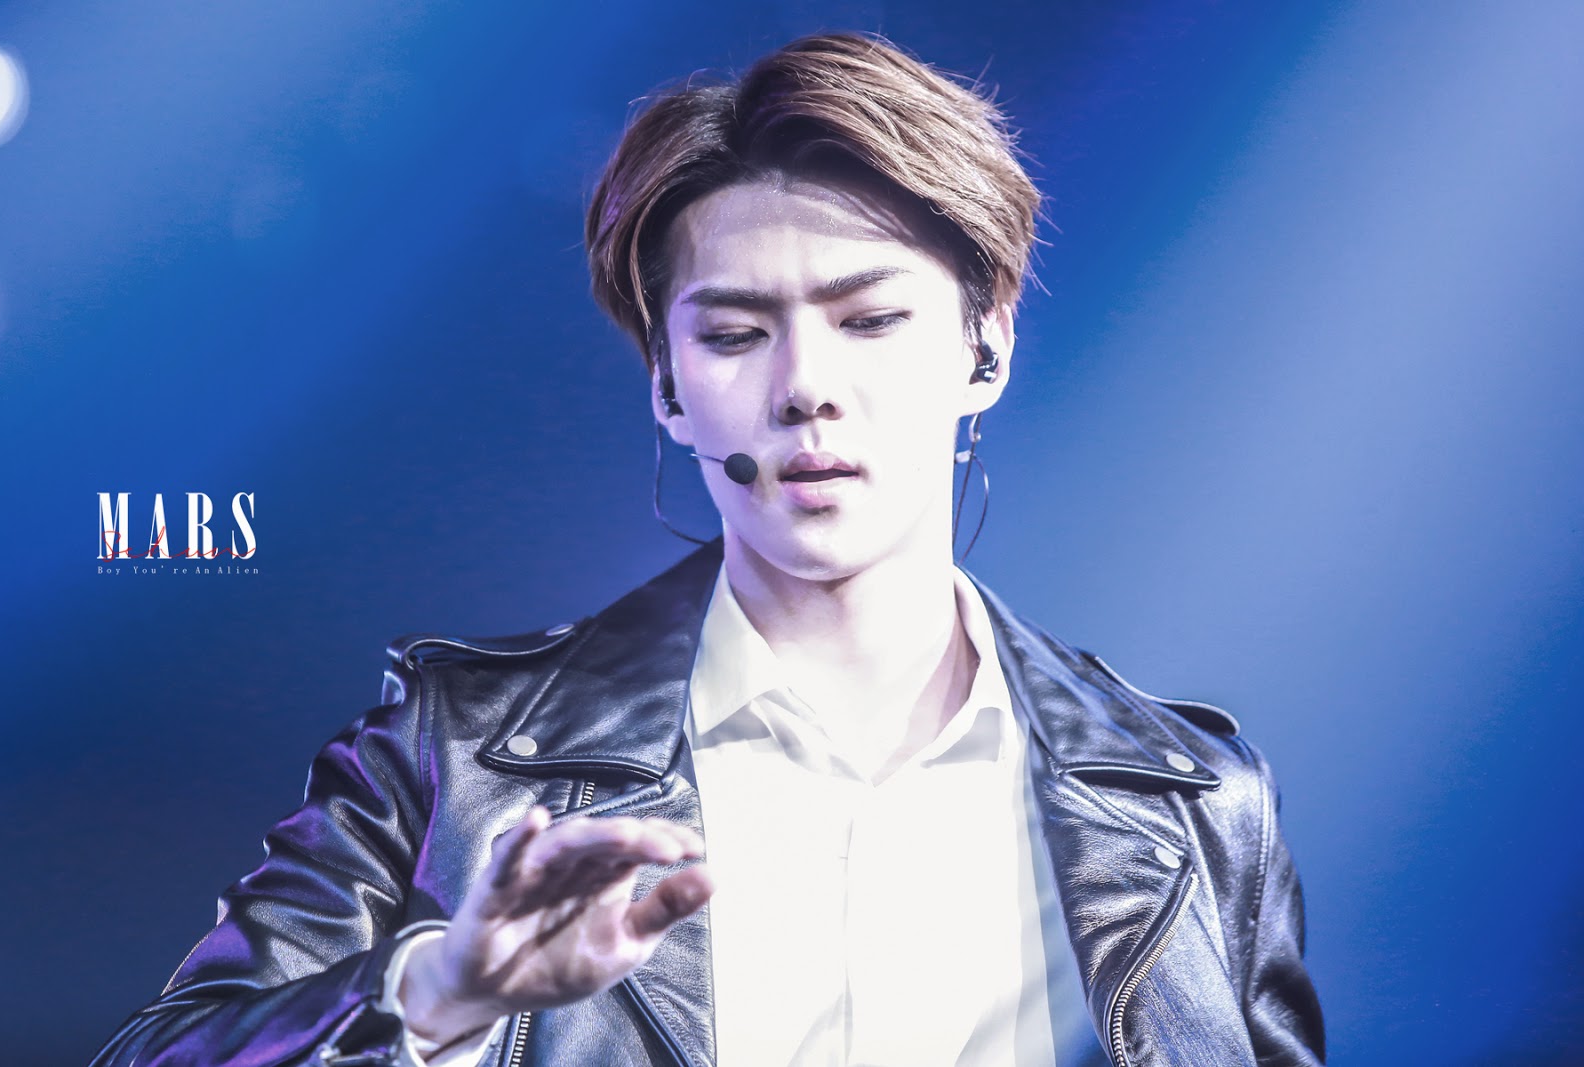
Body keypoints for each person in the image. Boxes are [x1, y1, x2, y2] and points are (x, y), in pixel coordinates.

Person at [91, 32, 1324, 1067]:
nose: (805, 387)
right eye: (734, 334)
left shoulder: (1192, 799)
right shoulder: (455, 752)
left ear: (983, 347)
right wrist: (434, 993)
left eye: (870, 319)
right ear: (669, 388)